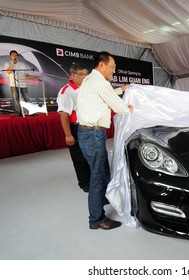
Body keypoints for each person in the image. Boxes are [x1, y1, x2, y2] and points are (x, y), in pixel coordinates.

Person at [77, 51, 133, 231]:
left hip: (87, 133)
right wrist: (131, 107)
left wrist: (120, 90)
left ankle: (105, 198)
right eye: (112, 67)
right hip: (93, 134)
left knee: (101, 172)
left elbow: (103, 96)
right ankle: (96, 219)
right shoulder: (100, 82)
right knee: (97, 176)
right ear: (102, 65)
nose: (113, 71)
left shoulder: (90, 80)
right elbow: (120, 107)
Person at [57, 63, 91, 192]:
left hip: (88, 127)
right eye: (81, 74)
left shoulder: (85, 88)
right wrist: (68, 135)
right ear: (72, 75)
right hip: (75, 128)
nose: (84, 77)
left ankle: (93, 179)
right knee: (79, 158)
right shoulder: (66, 91)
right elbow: (64, 115)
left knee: (89, 155)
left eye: (86, 74)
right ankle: (84, 183)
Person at [5, 50, 32, 115]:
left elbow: (26, 74)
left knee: (27, 99)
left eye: (16, 55)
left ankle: (31, 112)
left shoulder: (22, 64)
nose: (15, 56)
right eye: (13, 55)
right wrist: (13, 63)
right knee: (16, 99)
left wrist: (33, 77)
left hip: (23, 84)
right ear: (10, 56)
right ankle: (19, 113)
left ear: (18, 56)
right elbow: (8, 72)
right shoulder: (8, 63)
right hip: (14, 85)